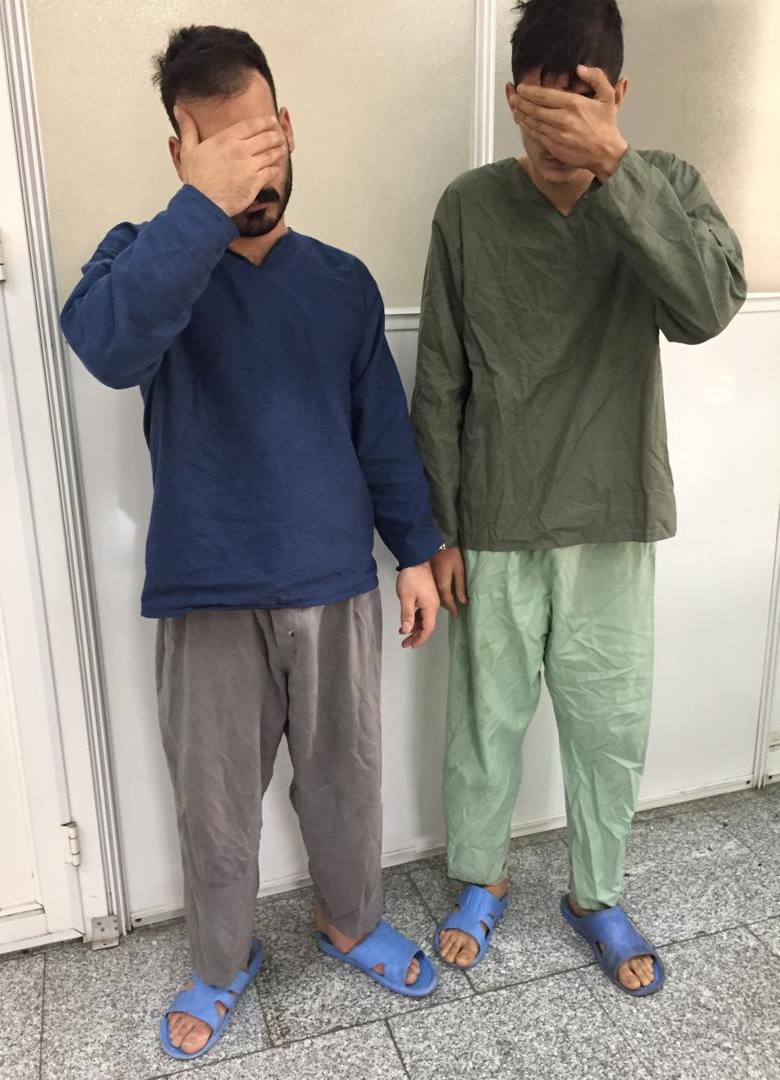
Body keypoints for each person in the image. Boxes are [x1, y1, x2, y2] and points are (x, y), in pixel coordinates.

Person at [61, 25, 443, 1061]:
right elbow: (106, 346)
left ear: (289, 128)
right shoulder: (144, 258)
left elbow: (381, 431)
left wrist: (414, 551)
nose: (252, 168)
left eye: (263, 138)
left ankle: (350, 921)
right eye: (222, 147)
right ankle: (221, 962)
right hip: (208, 588)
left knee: (346, 781)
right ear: (180, 153)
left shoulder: (341, 281)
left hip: (334, 579)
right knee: (216, 805)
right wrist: (201, 209)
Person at [411, 0, 745, 996]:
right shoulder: (469, 207)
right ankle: (481, 877)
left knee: (609, 724)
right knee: (486, 722)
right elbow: (440, 377)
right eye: (539, 110)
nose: (555, 135)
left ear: (617, 94)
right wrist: (438, 529)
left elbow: (707, 307)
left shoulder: (660, 184)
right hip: (497, 514)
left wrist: (616, 167)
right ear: (512, 98)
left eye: (581, 104)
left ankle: (596, 894)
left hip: (612, 509)